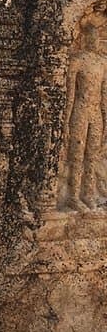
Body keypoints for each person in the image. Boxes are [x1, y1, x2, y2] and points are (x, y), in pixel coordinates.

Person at [60, 21, 107, 211]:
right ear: (84, 38)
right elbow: (70, 93)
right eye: (90, 37)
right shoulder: (77, 60)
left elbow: (105, 94)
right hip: (79, 110)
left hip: (95, 112)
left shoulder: (103, 63)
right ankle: (73, 196)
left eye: (97, 37)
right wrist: (65, 122)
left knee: (92, 156)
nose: (94, 40)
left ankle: (88, 194)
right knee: (77, 155)